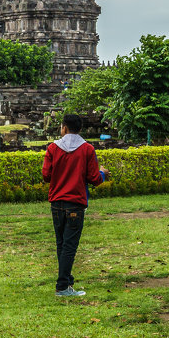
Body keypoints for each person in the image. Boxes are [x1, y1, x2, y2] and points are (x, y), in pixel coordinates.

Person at [42, 114, 108, 297]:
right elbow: (94, 179)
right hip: (75, 203)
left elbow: (46, 175)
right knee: (69, 245)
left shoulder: (53, 148)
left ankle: (66, 282)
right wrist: (103, 173)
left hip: (56, 201)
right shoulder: (86, 149)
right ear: (80, 129)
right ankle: (63, 286)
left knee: (61, 244)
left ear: (64, 128)